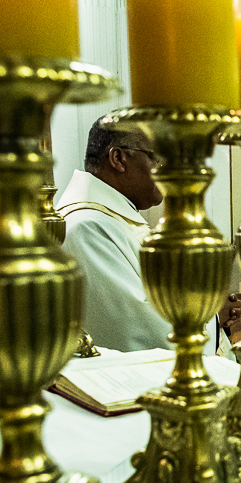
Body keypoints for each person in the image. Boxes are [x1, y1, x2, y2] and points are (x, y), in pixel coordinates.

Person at [58, 119, 172, 352]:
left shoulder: (113, 218)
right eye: (158, 158)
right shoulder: (86, 227)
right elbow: (139, 331)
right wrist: (208, 311)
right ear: (118, 159)